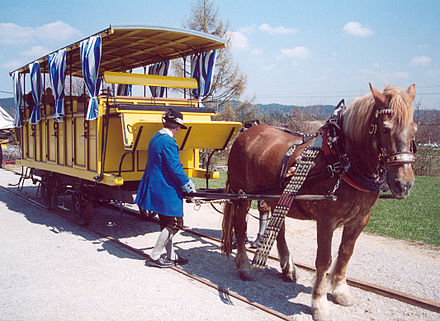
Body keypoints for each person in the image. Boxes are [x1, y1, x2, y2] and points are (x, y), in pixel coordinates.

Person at [135, 108, 196, 268]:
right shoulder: (168, 142)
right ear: (176, 126)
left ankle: (171, 255)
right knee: (175, 223)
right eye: (179, 129)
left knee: (166, 222)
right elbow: (175, 168)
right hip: (165, 187)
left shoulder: (156, 137)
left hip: (157, 185)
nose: (178, 132)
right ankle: (155, 256)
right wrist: (189, 188)